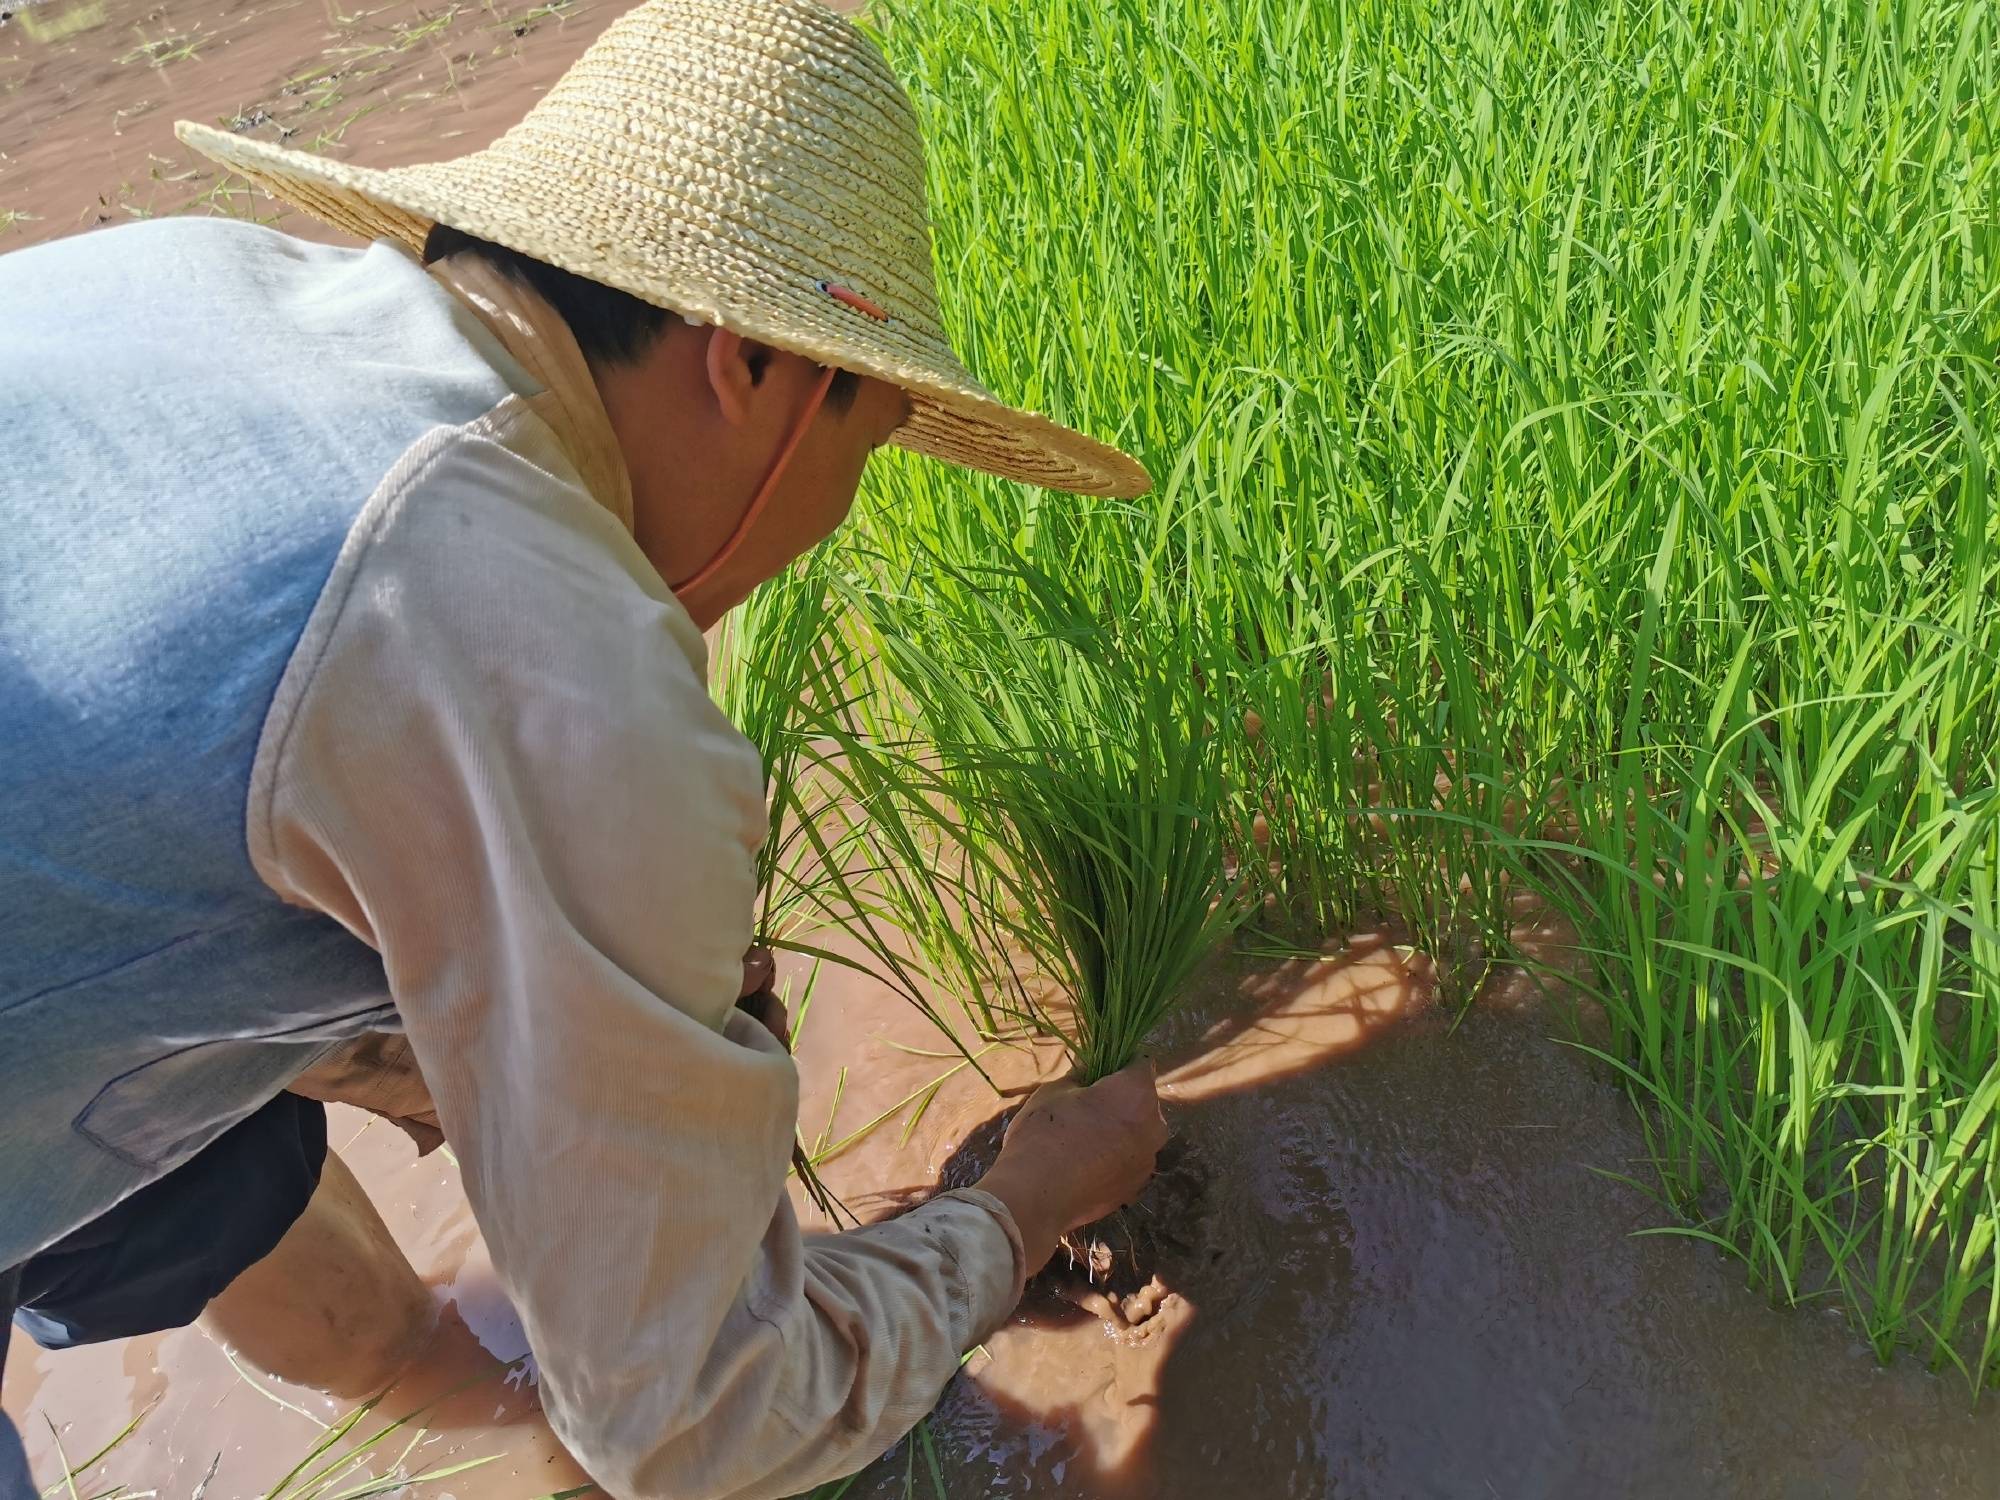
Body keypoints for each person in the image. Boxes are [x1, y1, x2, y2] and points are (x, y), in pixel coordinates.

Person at [0, 0, 1168, 1494]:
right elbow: (696, 1425)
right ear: (751, 366)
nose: (839, 510)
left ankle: (458, 1392)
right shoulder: (539, 632)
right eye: (865, 441)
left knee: (218, 1149)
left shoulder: (182, 276)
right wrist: (1026, 1208)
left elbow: (136, 789)